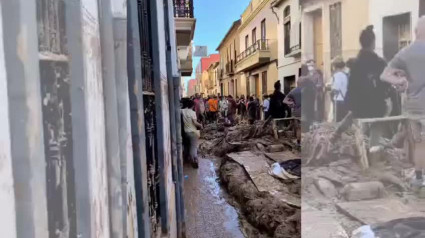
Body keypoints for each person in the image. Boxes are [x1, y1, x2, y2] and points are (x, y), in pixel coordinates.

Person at [380, 16, 425, 189]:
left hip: (414, 106)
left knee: (419, 143)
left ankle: (420, 177)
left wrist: (400, 82)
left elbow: (384, 75)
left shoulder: (405, 52)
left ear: (415, 31)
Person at [345, 25, 391, 119]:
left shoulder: (355, 65)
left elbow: (351, 88)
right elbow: (387, 86)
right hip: (378, 109)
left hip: (359, 111)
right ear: (373, 43)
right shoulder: (380, 63)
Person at [181, 99, 203, 168]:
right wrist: (201, 125)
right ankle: (194, 160)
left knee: (187, 146)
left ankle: (186, 159)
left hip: (185, 132)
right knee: (193, 147)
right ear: (193, 106)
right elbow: (195, 123)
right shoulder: (192, 112)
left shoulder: (182, 111)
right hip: (193, 132)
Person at [331, 57, 349, 122]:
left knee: (338, 120)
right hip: (344, 98)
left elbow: (336, 88)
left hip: (338, 99)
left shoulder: (337, 75)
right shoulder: (344, 75)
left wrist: (331, 87)